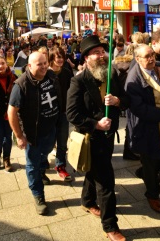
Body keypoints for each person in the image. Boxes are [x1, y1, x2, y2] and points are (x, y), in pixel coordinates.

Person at [66, 35, 130, 241]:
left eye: (102, 52)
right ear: (86, 58)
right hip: (90, 138)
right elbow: (72, 113)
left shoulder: (112, 75)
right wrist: (96, 124)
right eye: (95, 53)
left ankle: (87, 200)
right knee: (106, 181)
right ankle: (110, 225)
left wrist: (118, 101)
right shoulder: (79, 81)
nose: (101, 56)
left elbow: (126, 101)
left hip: (109, 136)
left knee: (94, 170)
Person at [7, 52, 62, 215]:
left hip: (51, 128)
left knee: (44, 155)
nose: (44, 66)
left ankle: (41, 170)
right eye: (40, 64)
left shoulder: (50, 76)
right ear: (29, 66)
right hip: (33, 133)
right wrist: (19, 136)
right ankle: (38, 194)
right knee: (32, 164)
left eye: (45, 63)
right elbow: (11, 112)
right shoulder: (21, 85)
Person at [125, 43, 160, 213]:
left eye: (152, 54)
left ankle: (146, 172)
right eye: (147, 56)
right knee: (150, 160)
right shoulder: (133, 80)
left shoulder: (159, 67)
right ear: (137, 59)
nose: (152, 58)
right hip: (146, 128)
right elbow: (139, 109)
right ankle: (152, 194)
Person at [48, 46, 74, 181]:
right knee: (48, 141)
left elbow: (73, 91)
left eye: (62, 57)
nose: (61, 60)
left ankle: (60, 166)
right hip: (49, 114)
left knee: (62, 141)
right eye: (58, 57)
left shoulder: (67, 72)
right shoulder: (45, 73)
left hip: (64, 112)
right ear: (52, 57)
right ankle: (43, 162)